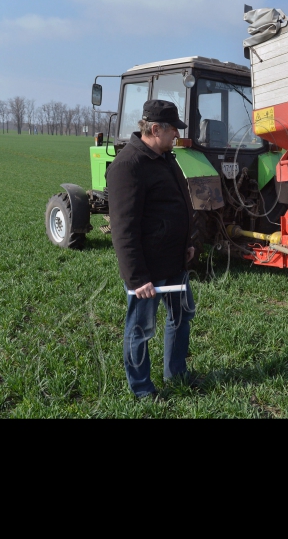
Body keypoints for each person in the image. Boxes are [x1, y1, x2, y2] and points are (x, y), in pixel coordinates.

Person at [106, 99, 197, 399]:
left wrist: (187, 244)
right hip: (148, 270)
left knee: (181, 317)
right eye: (173, 130)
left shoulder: (166, 157)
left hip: (174, 264)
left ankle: (176, 372)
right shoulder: (128, 166)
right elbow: (123, 228)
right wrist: (136, 277)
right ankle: (142, 389)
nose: (177, 136)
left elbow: (177, 206)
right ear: (155, 128)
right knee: (141, 330)